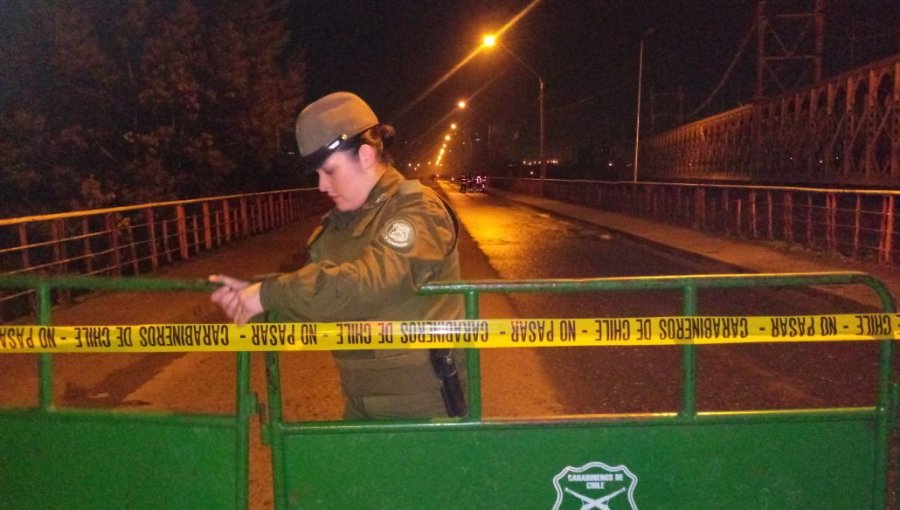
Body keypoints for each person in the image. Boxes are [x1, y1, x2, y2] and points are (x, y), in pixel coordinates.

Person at [209, 91, 466, 420]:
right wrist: (252, 298)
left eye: (329, 171)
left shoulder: (417, 210)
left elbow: (370, 283)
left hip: (426, 409)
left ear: (365, 155)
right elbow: (317, 296)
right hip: (360, 403)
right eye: (317, 174)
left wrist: (267, 293)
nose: (321, 186)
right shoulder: (340, 225)